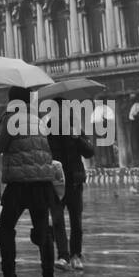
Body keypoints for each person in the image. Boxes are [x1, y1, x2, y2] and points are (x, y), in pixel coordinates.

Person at [0, 88, 60, 277]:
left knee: (5, 229)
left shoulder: (11, 118)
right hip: (41, 182)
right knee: (43, 231)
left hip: (20, 183)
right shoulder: (37, 118)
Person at [47, 102, 95, 268]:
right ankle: (63, 256)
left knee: (76, 222)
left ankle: (76, 255)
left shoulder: (76, 129)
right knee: (58, 221)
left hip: (74, 182)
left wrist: (78, 138)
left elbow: (90, 151)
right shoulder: (47, 130)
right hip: (56, 183)